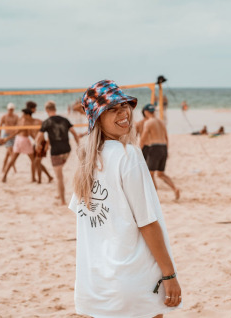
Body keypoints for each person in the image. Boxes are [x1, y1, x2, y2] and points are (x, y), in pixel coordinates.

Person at [69, 79, 182, 317]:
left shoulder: (88, 162)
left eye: (123, 106)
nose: (122, 113)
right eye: (111, 109)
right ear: (97, 118)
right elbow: (147, 223)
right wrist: (169, 274)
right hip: (133, 278)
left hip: (97, 281)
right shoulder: (127, 155)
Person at [35, 100, 79, 205]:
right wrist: (78, 145)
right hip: (67, 150)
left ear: (47, 110)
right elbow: (74, 133)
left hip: (56, 152)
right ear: (55, 109)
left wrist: (37, 145)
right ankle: (59, 193)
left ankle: (63, 200)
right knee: (59, 171)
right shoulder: (64, 120)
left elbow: (39, 137)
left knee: (59, 177)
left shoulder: (47, 122)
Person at [140, 103, 180, 200]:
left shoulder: (148, 122)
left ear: (145, 112)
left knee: (150, 174)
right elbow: (166, 137)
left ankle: (154, 195)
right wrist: (167, 150)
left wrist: (139, 151)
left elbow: (143, 138)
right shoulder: (161, 122)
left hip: (155, 148)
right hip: (163, 147)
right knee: (160, 174)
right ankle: (175, 188)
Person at [2, 108, 36, 183]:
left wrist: (8, 138)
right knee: (33, 160)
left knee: (12, 160)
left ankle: (4, 176)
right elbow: (29, 133)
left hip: (17, 139)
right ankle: (33, 178)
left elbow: (16, 131)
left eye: (23, 114)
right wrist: (37, 140)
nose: (22, 115)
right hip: (24, 140)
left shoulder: (20, 120)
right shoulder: (26, 122)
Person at [26, 101, 53, 184]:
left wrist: (47, 144)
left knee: (37, 162)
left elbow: (49, 131)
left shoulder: (38, 121)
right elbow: (30, 134)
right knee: (36, 162)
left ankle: (40, 180)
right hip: (36, 144)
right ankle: (48, 177)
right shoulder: (28, 124)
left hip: (42, 143)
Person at [0, 102, 19, 172]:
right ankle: (14, 168)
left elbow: (18, 126)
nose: (11, 110)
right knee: (11, 152)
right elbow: (0, 126)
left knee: (8, 154)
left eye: (12, 109)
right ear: (7, 109)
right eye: (10, 109)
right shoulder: (4, 116)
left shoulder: (16, 117)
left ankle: (3, 168)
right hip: (6, 136)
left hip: (13, 136)